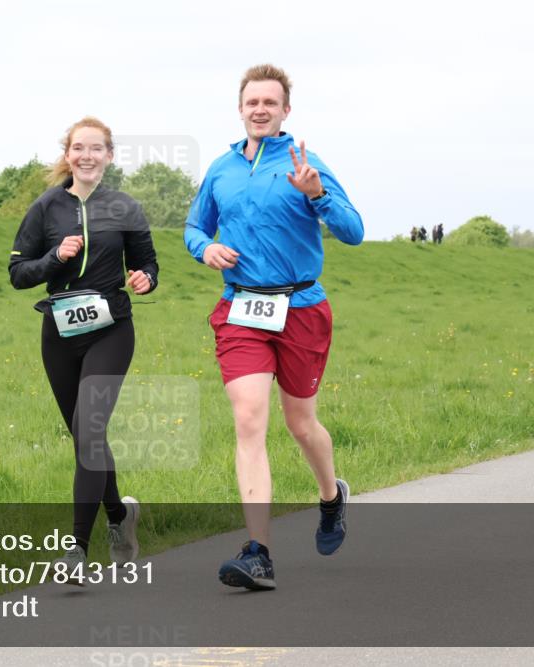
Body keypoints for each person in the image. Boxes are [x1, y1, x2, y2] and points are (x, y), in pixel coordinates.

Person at [184, 64, 364, 590]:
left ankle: (331, 497)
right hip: (241, 308)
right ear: (240, 109)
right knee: (248, 419)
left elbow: (353, 232)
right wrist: (206, 248)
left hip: (301, 309)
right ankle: (257, 551)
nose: (259, 109)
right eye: (251, 102)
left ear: (286, 110)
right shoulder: (221, 169)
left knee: (301, 425)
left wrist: (317, 196)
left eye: (270, 102)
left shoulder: (307, 163)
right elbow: (195, 226)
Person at [9, 116, 159, 584]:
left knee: (89, 428)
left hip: (111, 329)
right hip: (59, 332)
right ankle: (119, 516)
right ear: (68, 154)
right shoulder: (46, 207)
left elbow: (148, 264)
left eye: (97, 149)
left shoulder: (126, 207)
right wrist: (57, 258)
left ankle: (76, 550)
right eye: (79, 148)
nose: (87, 156)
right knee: (85, 438)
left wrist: (145, 279)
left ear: (109, 156)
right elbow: (18, 273)